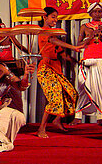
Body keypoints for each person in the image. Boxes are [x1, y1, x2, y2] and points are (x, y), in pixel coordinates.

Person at [36, 7, 84, 138]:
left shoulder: (54, 33)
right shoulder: (43, 32)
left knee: (72, 93)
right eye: (53, 17)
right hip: (45, 68)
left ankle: (57, 120)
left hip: (56, 69)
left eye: (56, 17)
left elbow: (63, 54)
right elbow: (53, 41)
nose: (55, 20)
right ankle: (41, 128)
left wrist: (78, 62)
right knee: (55, 97)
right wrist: (73, 47)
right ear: (44, 18)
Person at [69, 2, 102, 126]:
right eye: (95, 11)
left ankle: (99, 116)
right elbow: (78, 45)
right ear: (90, 13)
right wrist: (89, 38)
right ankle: (78, 116)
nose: (97, 14)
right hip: (86, 60)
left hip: (100, 60)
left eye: (100, 11)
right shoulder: (84, 26)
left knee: (99, 89)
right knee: (82, 86)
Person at [0, 14, 29, 113]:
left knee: (14, 92)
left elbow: (18, 46)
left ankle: (18, 118)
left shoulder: (7, 34)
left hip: (11, 67)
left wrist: (29, 53)